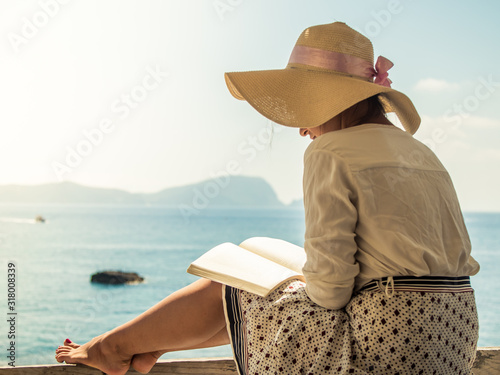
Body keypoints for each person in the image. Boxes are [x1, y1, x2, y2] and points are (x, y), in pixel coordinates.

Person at [56, 22, 480, 374]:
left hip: (388, 350)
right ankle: (151, 346)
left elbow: (331, 293)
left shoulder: (331, 152)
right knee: (257, 250)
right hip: (453, 339)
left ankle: (112, 348)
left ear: (334, 100)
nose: (302, 128)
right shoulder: (421, 152)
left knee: (238, 286)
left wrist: (291, 287)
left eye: (306, 108)